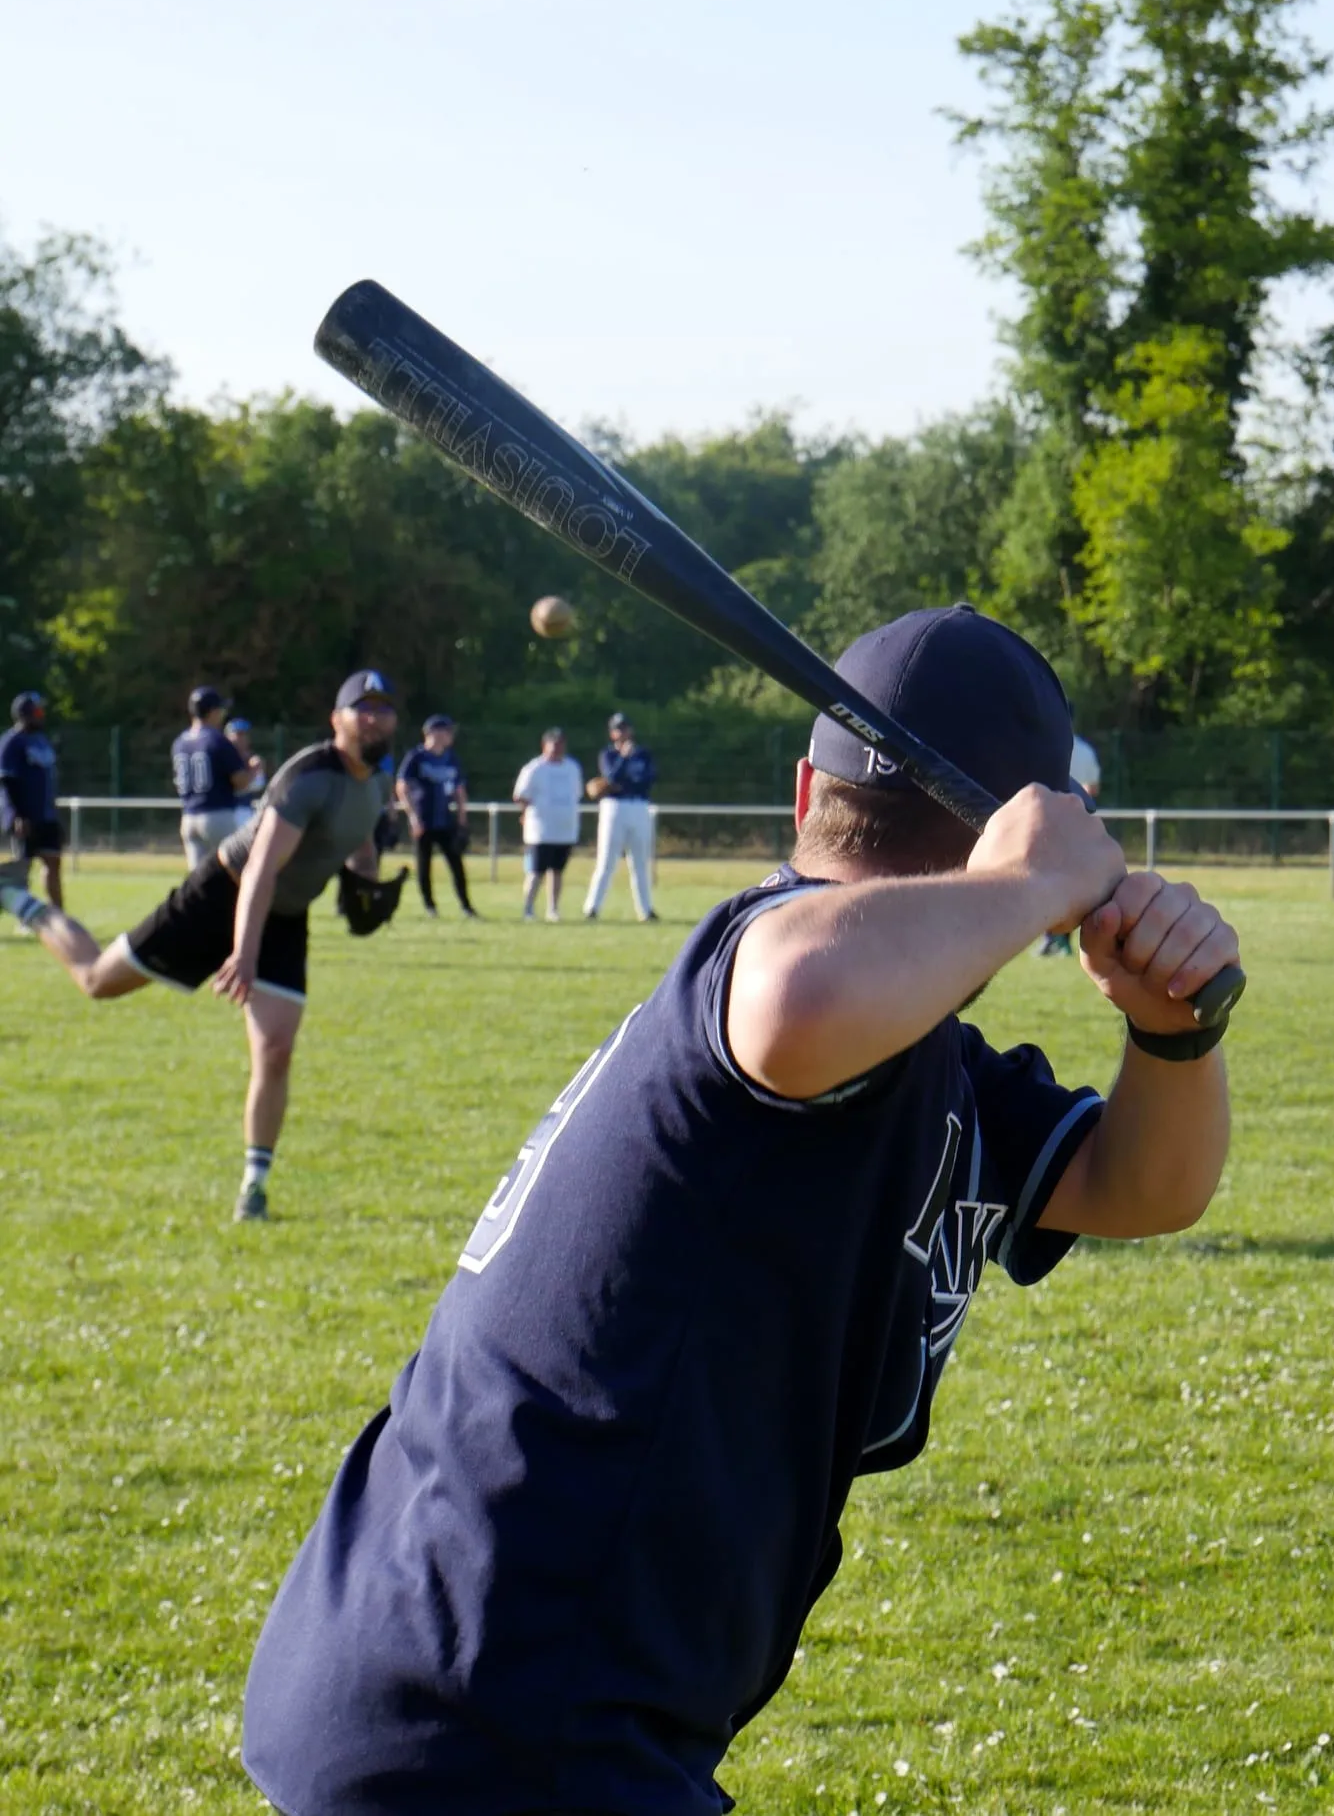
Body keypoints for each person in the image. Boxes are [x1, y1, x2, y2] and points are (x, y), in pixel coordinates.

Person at [239, 606, 1240, 1816]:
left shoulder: (930, 1061)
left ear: (804, 782)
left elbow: (1143, 1185)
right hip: (502, 1709)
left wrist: (1171, 1032)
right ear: (1026, 822)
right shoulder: (766, 962)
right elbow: (794, 997)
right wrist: (1028, 883)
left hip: (483, 1679)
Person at [0, 670, 399, 1223]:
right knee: (96, 980)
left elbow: (356, 837)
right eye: (363, 708)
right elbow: (259, 868)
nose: (375, 717)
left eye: (384, 708)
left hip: (283, 918)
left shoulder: (378, 782)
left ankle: (253, 1188)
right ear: (338, 719)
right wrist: (244, 952)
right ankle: (22, 901)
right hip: (222, 895)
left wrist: (366, 883)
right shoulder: (308, 776)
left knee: (275, 1052)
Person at [173, 687, 264, 868]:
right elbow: (241, 782)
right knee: (239, 873)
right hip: (217, 816)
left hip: (188, 817)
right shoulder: (217, 740)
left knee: (198, 882)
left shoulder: (180, 742)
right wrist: (254, 771)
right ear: (212, 711)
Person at [397, 715, 477, 920]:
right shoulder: (416, 757)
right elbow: (402, 787)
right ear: (433, 733)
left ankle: (467, 907)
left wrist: (462, 817)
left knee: (456, 864)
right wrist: (413, 816)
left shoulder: (451, 758)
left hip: (445, 819)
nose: (451, 736)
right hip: (424, 818)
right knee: (424, 865)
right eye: (447, 731)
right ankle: (430, 907)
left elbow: (459, 790)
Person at [582, 711, 658, 921]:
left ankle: (645, 910)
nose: (622, 732)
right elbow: (610, 777)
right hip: (614, 807)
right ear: (612, 733)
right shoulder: (608, 754)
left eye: (625, 728)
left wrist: (623, 781)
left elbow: (648, 780)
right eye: (618, 729)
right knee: (606, 860)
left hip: (639, 806)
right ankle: (592, 908)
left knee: (640, 862)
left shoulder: (643, 754)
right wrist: (624, 759)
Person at [1038, 727, 1104, 956]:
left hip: (1047, 820)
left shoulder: (1045, 744)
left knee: (1046, 878)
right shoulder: (1085, 750)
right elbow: (1092, 788)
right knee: (1074, 880)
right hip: (1077, 822)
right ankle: (1064, 940)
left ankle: (1050, 938)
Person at [0, 692, 64, 914]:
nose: (41, 715)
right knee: (22, 869)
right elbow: (7, 781)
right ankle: (24, 917)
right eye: (37, 711)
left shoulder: (41, 741)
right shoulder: (11, 742)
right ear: (24, 714)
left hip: (46, 816)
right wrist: (17, 815)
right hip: (25, 818)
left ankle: (58, 914)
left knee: (53, 863)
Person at [512, 727, 584, 921]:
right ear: (544, 746)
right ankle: (528, 908)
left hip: (564, 829)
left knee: (557, 871)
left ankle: (553, 909)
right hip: (541, 829)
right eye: (554, 744)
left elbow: (576, 794)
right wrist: (525, 815)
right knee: (536, 871)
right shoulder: (534, 768)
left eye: (561, 744)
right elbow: (521, 795)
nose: (557, 749)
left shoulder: (572, 767)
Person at [225, 717, 268, 829]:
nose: (242, 738)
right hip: (225, 811)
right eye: (238, 734)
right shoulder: (223, 757)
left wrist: (259, 771)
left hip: (245, 810)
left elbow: (258, 785)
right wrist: (253, 772)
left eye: (244, 734)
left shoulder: (252, 759)